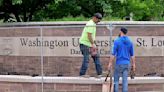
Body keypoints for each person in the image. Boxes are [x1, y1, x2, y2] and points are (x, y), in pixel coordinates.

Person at [108, 27, 136, 92]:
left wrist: (110, 63)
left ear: (121, 32)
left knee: (116, 81)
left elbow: (113, 54)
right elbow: (132, 55)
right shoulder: (130, 41)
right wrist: (134, 64)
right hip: (127, 64)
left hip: (119, 64)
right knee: (125, 81)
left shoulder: (117, 41)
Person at [79, 13, 103, 78]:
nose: (98, 22)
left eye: (99, 21)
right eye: (98, 20)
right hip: (85, 44)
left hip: (89, 44)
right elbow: (89, 35)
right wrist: (93, 44)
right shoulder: (90, 24)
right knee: (86, 59)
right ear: (94, 18)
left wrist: (94, 44)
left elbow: (92, 36)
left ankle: (99, 73)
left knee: (96, 57)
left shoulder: (93, 24)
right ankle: (82, 74)